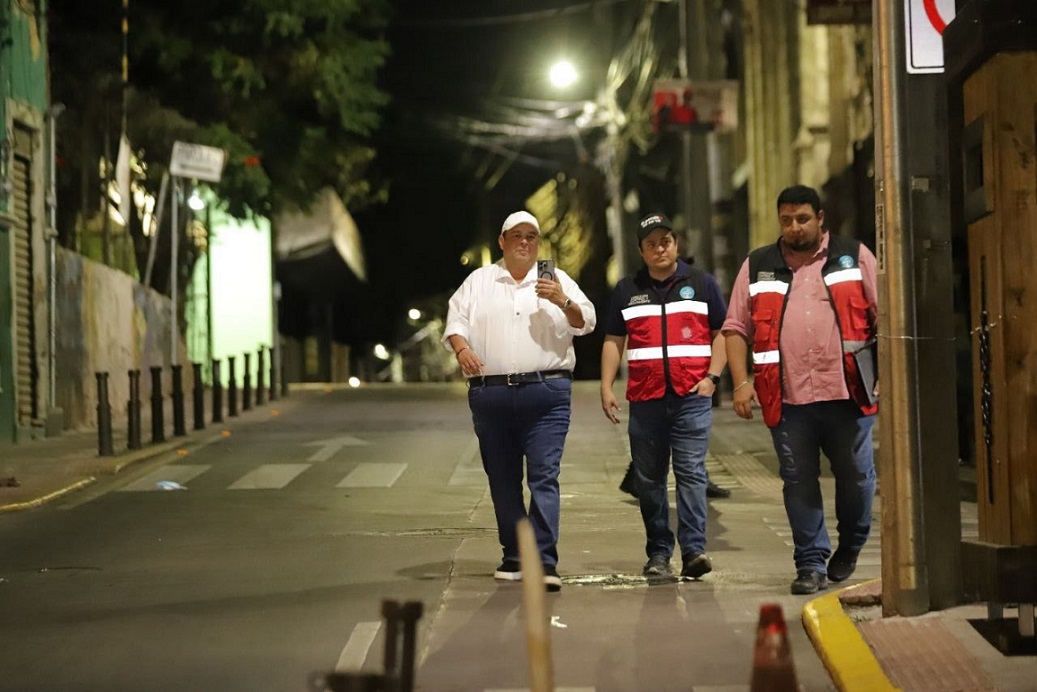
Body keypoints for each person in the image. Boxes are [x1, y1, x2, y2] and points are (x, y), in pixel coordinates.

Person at [722, 184, 878, 595]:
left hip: (849, 393)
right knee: (798, 480)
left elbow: (886, 317)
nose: (794, 227)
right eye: (787, 220)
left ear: (821, 218)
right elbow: (736, 328)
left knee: (857, 478)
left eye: (803, 218)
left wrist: (889, 376)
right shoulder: (758, 266)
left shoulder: (854, 256)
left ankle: (851, 544)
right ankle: (810, 563)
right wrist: (741, 382)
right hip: (788, 399)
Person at [444, 210, 596, 593]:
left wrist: (563, 301)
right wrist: (462, 350)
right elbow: (455, 323)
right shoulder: (479, 281)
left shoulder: (555, 279)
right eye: (517, 236)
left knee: (545, 476)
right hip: (490, 393)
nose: (524, 242)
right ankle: (514, 554)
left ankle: (544, 560)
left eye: (531, 236)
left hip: (546, 394)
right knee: (503, 478)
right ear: (502, 241)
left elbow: (587, 321)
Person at [601, 213, 728, 579]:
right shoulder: (627, 289)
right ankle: (658, 553)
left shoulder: (702, 284)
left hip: (691, 396)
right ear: (641, 250)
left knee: (691, 473)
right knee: (651, 480)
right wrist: (606, 386)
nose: (660, 249)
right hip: (646, 399)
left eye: (666, 241)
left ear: (676, 244)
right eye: (652, 244)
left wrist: (712, 378)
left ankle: (694, 552)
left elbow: (722, 332)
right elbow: (613, 340)